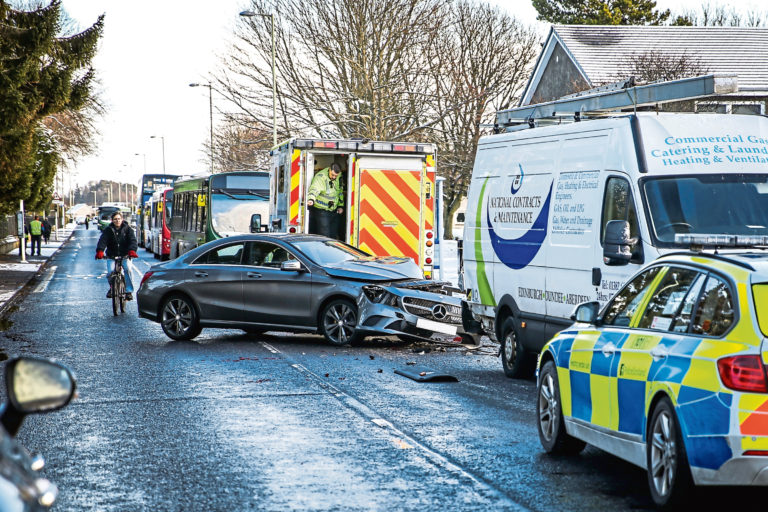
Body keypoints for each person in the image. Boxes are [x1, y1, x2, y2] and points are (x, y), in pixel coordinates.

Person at [95, 211, 139, 301]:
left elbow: (133, 241)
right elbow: (103, 241)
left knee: (128, 269)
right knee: (110, 273)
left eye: (119, 219)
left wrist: (132, 251)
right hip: (112, 255)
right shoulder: (108, 230)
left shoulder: (128, 229)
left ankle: (128, 291)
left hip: (125, 255)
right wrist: (100, 251)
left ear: (122, 219)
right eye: (115, 219)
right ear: (112, 220)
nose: (117, 221)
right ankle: (112, 288)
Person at [306, 163, 344, 240]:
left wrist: (340, 206)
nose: (334, 177)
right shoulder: (320, 177)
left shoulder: (339, 176)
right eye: (332, 175)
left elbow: (340, 192)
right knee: (324, 235)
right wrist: (311, 199)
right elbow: (314, 189)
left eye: (336, 176)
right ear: (329, 169)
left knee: (333, 236)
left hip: (333, 210)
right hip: (321, 210)